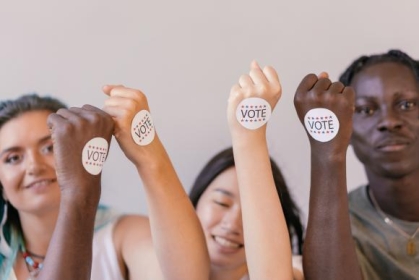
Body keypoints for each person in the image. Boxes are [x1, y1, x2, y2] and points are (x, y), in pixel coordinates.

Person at [0, 91, 210, 280]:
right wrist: (78, 193)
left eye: (48, 148)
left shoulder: (123, 235)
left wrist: (149, 155)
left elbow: (187, 277)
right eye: (13, 158)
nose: (34, 167)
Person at [298, 49, 419, 280]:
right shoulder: (339, 225)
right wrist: (327, 149)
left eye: (406, 105)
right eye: (366, 110)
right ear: (348, 129)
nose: (389, 122)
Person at [189, 61, 303, 280]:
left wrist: (249, 135)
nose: (232, 224)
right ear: (193, 202)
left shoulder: (295, 269)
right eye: (222, 203)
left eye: (250, 213)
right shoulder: (148, 257)